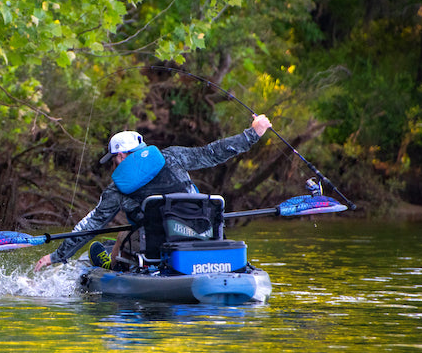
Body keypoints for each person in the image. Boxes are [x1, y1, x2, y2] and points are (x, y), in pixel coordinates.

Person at [34, 114, 272, 271]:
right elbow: (213, 153)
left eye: (114, 160)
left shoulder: (116, 189)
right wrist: (254, 132)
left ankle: (115, 267)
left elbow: (90, 227)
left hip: (154, 250)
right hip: (202, 237)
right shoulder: (173, 156)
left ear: (120, 156)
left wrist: (56, 256)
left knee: (114, 238)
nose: (115, 165)